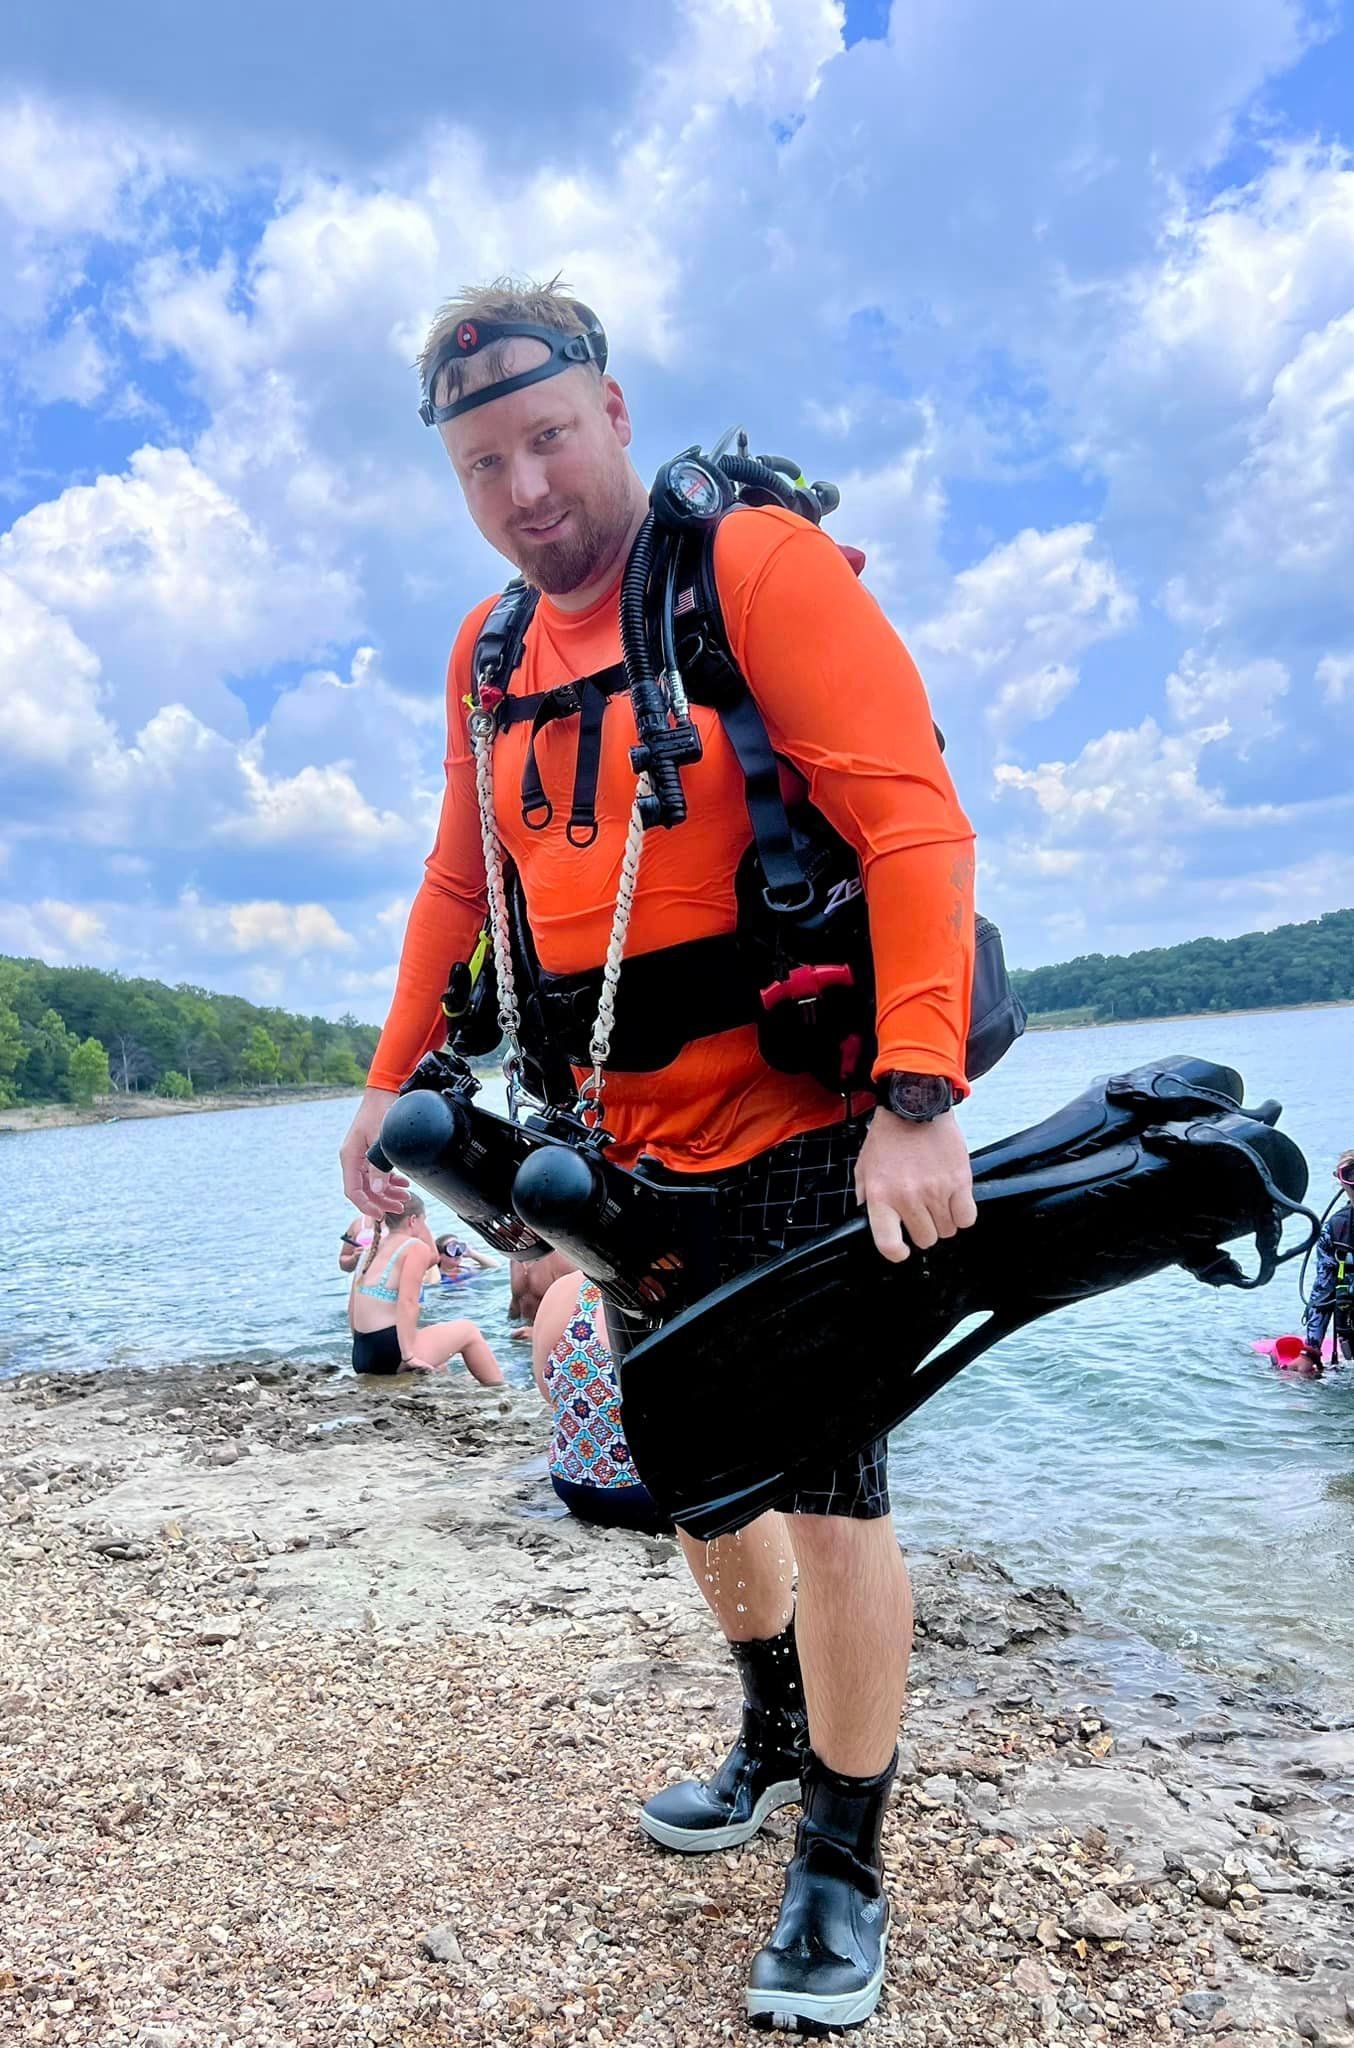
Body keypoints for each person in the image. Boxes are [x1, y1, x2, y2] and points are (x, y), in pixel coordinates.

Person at [339, 279, 976, 2032]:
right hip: (614, 1149)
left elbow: (908, 810)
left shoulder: (747, 571)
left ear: (611, 416)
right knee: (696, 1475)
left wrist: (915, 1097)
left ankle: (841, 1854)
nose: (524, 485)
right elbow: (457, 891)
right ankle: (772, 1726)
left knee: (828, 1485)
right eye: (484, 462)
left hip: (801, 1126)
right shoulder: (482, 657)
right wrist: (380, 1092)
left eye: (546, 438)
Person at [531, 1270, 671, 1534]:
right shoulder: (694, 1284)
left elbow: (547, 1391)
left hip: (576, 1487)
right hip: (662, 1496)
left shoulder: (565, 1289)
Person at [348, 1191, 504, 1383]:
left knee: (438, 1354)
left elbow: (352, 1305)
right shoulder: (413, 1247)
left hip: (362, 1354)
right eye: (424, 1220)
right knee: (469, 1330)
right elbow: (408, 1302)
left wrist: (360, 1346)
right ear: (413, 1220)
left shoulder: (370, 1249)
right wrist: (408, 1356)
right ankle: (500, 1391)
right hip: (391, 1354)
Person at [1303, 1149, 1354, 1364]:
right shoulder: (1335, 1231)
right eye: (1351, 1175)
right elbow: (1323, 1293)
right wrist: (1310, 1352)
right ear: (1341, 1181)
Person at [508, 1248, 575, 1339]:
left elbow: (583, 1312)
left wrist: (538, 1334)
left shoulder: (562, 1258)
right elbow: (516, 1302)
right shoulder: (515, 1255)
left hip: (551, 1340)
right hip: (519, 1336)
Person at [428, 1233, 499, 1289]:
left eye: (459, 1247)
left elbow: (495, 1266)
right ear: (439, 1255)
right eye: (451, 1248)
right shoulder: (436, 1276)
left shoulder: (466, 1267)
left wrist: (472, 1254)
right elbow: (432, 1285)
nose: (458, 1252)